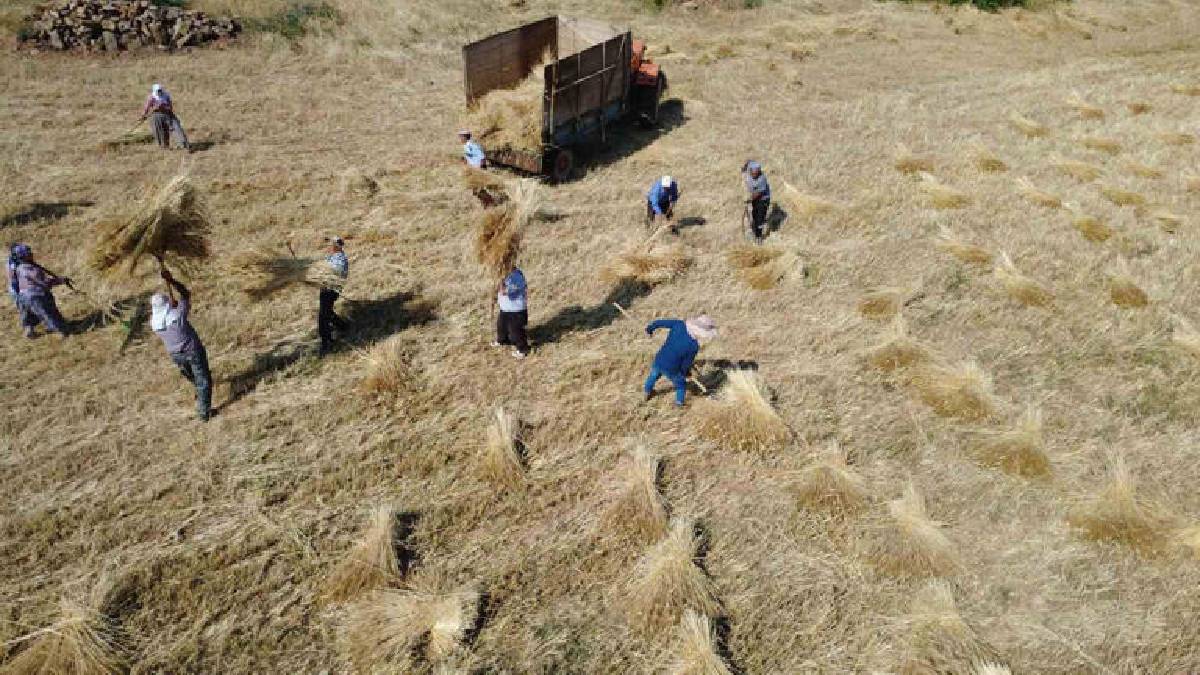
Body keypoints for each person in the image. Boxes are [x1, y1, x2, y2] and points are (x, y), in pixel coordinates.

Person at [150, 268, 211, 422]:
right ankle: (204, 413)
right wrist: (171, 280)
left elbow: (169, 315)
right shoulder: (177, 316)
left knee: (196, 379)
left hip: (176, 356)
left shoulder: (155, 323)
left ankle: (200, 396)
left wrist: (173, 306)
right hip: (192, 351)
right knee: (203, 380)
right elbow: (186, 294)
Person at [643, 315, 717, 407]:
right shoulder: (693, 346)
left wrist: (650, 329)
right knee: (681, 384)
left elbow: (660, 323)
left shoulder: (679, 324)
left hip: (659, 359)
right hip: (672, 368)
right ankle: (679, 403)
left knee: (653, 375)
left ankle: (647, 392)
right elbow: (686, 364)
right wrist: (685, 373)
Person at [13, 244, 71, 339]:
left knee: (29, 315)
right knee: (47, 313)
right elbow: (43, 282)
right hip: (36, 296)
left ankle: (29, 330)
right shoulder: (29, 268)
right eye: (29, 253)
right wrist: (60, 281)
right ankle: (60, 331)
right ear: (23, 256)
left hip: (23, 297)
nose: (31, 254)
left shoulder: (19, 268)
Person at [318, 237, 350, 357]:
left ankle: (326, 342)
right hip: (326, 288)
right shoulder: (332, 257)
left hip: (331, 290)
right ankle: (342, 326)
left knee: (323, 315)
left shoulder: (340, 259)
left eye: (331, 244)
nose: (329, 246)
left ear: (336, 246)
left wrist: (322, 274)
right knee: (326, 311)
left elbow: (336, 273)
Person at [491, 264, 529, 359]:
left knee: (515, 330)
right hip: (505, 309)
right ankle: (502, 340)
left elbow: (508, 290)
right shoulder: (502, 274)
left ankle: (522, 349)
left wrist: (502, 286)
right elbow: (499, 290)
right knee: (501, 326)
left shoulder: (516, 275)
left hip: (516, 310)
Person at [140, 83, 190, 151]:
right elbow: (146, 107)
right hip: (156, 116)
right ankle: (164, 147)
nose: (159, 92)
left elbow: (170, 107)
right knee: (160, 131)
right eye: (158, 91)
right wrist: (143, 115)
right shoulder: (152, 97)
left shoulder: (166, 95)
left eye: (160, 90)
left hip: (168, 114)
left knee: (176, 128)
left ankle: (184, 144)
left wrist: (164, 107)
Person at [742, 160, 771, 242]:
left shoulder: (762, 179)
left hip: (763, 199)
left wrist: (749, 199)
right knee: (754, 214)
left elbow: (759, 193)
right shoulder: (750, 168)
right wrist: (744, 168)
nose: (754, 175)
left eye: (756, 174)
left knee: (760, 218)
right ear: (750, 170)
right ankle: (755, 229)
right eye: (753, 174)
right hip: (755, 198)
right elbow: (749, 162)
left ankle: (759, 237)